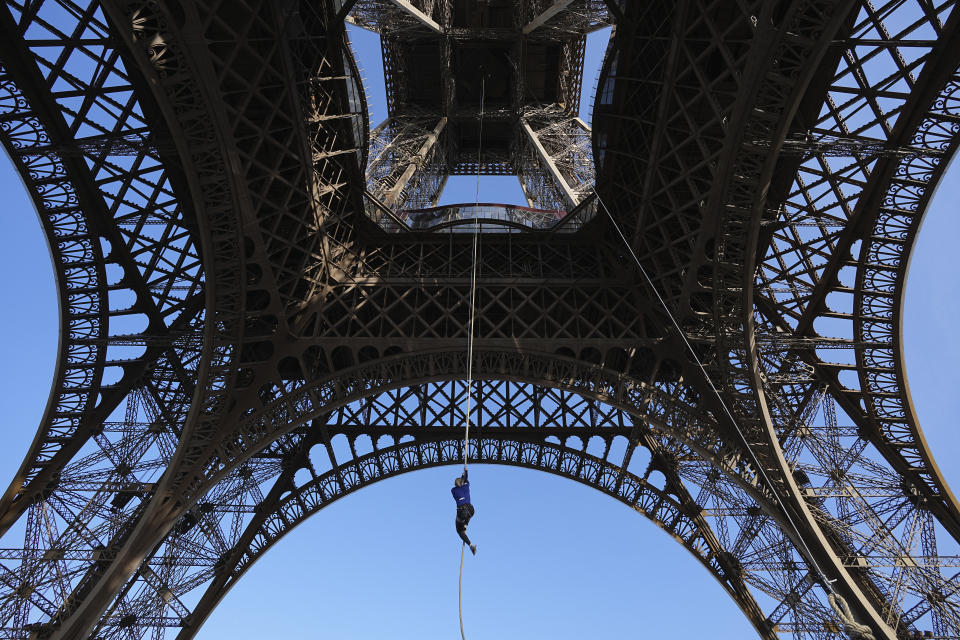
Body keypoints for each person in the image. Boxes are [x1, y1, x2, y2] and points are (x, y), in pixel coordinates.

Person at [451, 468, 477, 555]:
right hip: (471, 510)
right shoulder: (466, 486)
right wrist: (465, 472)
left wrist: (463, 476)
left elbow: (463, 481)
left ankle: (470, 545)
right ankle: (465, 524)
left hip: (462, 512)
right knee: (467, 516)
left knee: (459, 530)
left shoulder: (453, 490)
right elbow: (466, 479)